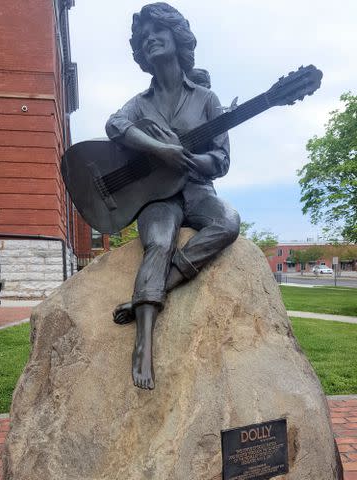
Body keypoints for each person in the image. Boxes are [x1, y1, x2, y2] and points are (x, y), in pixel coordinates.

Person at [105, 2, 240, 390]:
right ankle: (143, 344)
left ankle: (155, 290)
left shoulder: (206, 100)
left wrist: (190, 160)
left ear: (176, 37)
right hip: (157, 198)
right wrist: (158, 149)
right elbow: (116, 124)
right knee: (159, 241)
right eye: (143, 37)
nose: (149, 39)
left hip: (196, 190)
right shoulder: (140, 103)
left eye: (157, 31)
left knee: (228, 222)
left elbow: (221, 160)